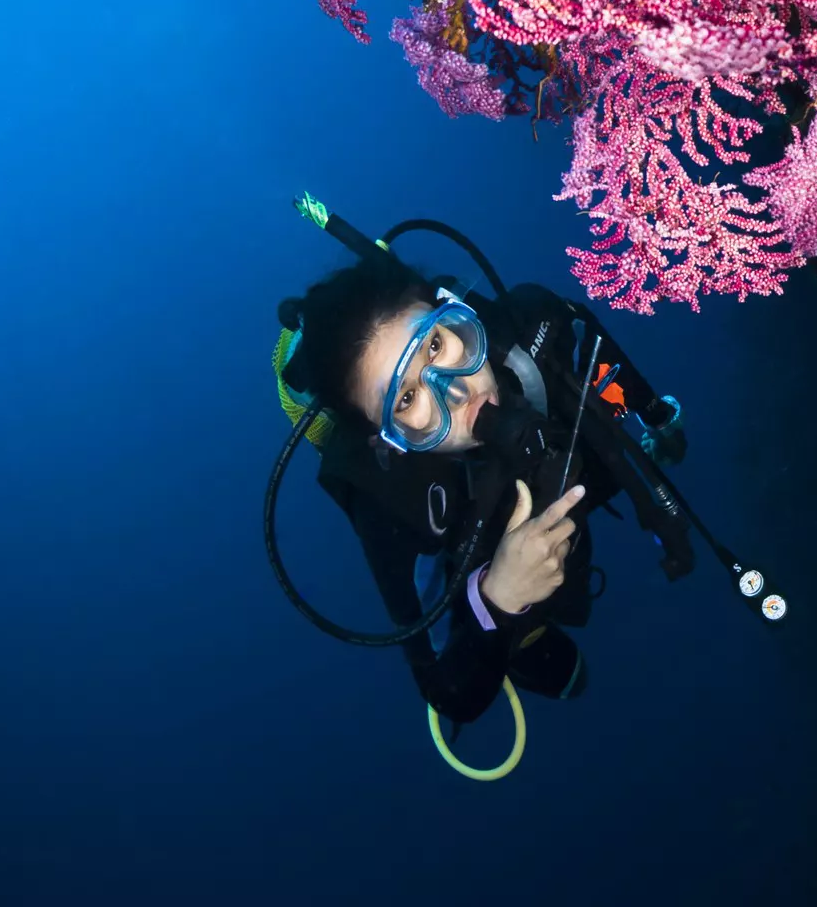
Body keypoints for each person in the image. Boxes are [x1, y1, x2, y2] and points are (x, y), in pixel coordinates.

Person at [278, 250, 687, 726]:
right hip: (489, 559)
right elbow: (447, 693)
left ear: (456, 314)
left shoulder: (531, 328)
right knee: (555, 668)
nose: (456, 392)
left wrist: (655, 416)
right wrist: (499, 598)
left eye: (435, 346)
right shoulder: (394, 507)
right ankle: (523, 640)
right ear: (386, 438)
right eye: (407, 398)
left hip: (571, 469)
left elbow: (598, 350)